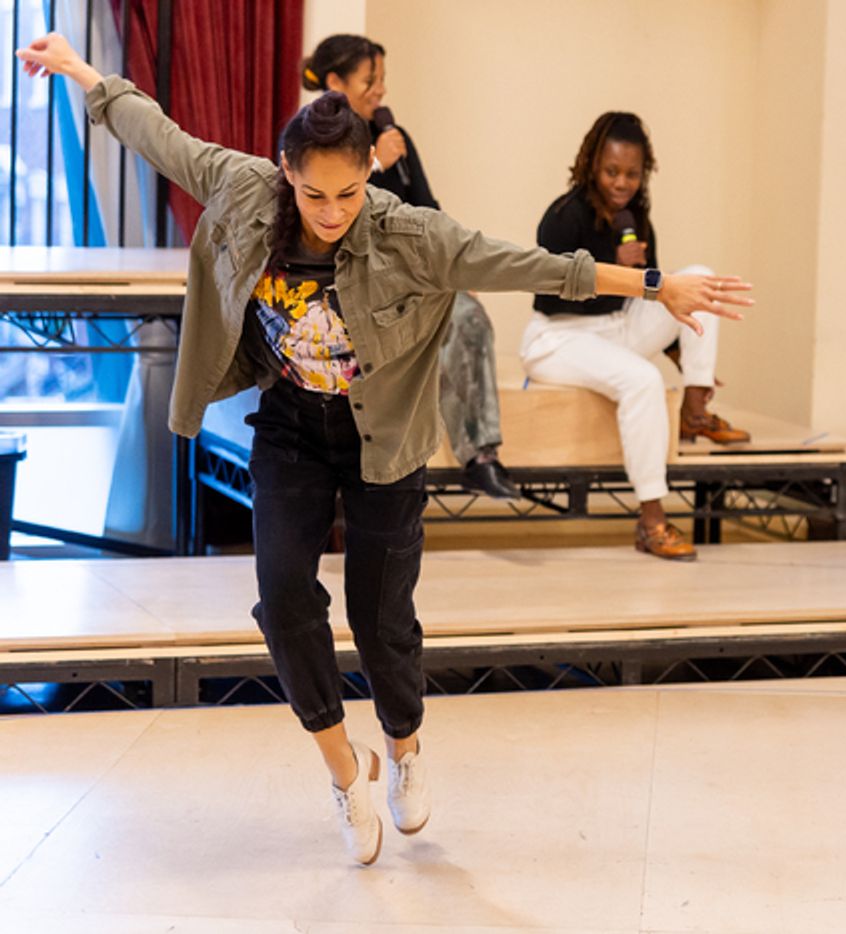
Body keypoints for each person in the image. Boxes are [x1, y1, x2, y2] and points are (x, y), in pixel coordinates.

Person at [16, 33, 750, 866]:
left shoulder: (412, 236)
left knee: (380, 619)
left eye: (348, 193)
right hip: (292, 426)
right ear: (286, 172)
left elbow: (531, 265)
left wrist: (656, 285)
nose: (331, 212)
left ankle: (403, 747)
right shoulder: (245, 188)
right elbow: (158, 134)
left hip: (386, 441)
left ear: (369, 173)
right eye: (314, 194)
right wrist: (78, 69)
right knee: (282, 599)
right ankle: (343, 768)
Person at [524, 112, 749, 562]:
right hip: (559, 338)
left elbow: (664, 299)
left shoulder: (637, 218)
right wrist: (616, 267)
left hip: (616, 329)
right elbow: (552, 295)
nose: (621, 183)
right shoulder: (563, 216)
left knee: (699, 280)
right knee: (644, 380)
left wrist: (688, 361)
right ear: (592, 165)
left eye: (631, 173)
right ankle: (651, 521)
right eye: (612, 171)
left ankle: (695, 410)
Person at [301, 33, 516, 500]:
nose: (380, 90)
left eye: (382, 79)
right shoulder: (313, 142)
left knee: (469, 317)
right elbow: (323, 222)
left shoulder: (394, 136)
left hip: (412, 279)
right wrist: (375, 166)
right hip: (351, 283)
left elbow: (428, 212)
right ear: (335, 82)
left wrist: (457, 270)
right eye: (370, 80)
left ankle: (481, 456)